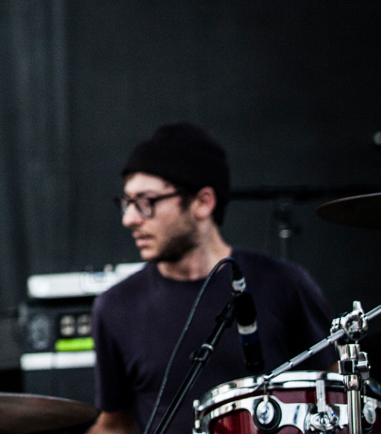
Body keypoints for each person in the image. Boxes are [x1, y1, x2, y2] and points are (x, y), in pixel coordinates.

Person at [88, 123, 334, 434]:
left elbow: (340, 396)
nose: (130, 219)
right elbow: (114, 425)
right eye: (126, 203)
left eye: (145, 202)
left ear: (203, 202)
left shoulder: (286, 285)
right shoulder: (114, 307)